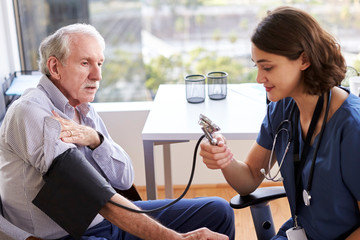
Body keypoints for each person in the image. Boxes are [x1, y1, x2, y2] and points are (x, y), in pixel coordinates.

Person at [0, 23, 235, 240]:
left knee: (219, 211)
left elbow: (124, 178)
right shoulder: (30, 112)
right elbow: (91, 195)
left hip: (105, 221)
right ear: (55, 67)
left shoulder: (85, 111)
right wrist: (173, 238)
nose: (97, 75)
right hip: (67, 235)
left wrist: (96, 140)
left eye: (100, 63)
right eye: (85, 63)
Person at [200, 6, 360, 240]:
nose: (259, 78)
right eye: (257, 67)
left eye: (268, 67)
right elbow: (250, 179)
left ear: (304, 59)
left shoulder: (351, 127)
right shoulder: (282, 109)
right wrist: (224, 159)